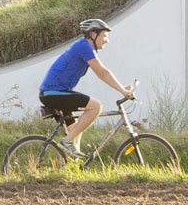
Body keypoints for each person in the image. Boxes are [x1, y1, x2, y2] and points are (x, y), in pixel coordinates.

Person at [38, 18, 136, 158]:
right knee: (96, 107)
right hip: (53, 93)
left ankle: (69, 167)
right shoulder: (83, 47)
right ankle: (66, 142)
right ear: (93, 35)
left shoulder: (84, 47)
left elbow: (103, 73)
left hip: (57, 92)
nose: (107, 40)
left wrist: (122, 88)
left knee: (76, 131)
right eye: (104, 36)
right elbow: (102, 72)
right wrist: (123, 91)